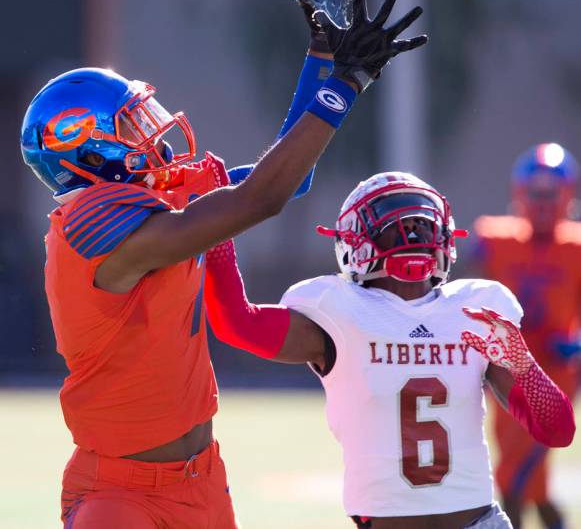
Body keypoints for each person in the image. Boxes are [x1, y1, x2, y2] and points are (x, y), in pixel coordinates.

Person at [20, 0, 427, 529]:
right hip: (121, 495)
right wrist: (347, 83)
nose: (153, 128)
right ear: (83, 147)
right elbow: (259, 199)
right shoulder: (89, 224)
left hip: (201, 480)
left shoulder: (153, 203)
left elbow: (286, 178)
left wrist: (320, 57)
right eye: (131, 122)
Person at [203, 170, 576, 529]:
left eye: (419, 222)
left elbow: (558, 431)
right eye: (396, 222)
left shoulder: (474, 310)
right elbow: (236, 323)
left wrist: (524, 365)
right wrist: (219, 215)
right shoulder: (339, 311)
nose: (410, 230)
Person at [471, 143, 581, 529]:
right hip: (505, 374)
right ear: (520, 193)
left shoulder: (576, 247)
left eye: (551, 192)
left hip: (554, 375)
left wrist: (576, 341)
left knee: (517, 476)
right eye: (536, 192)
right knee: (520, 477)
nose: (543, 202)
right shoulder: (495, 241)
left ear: (568, 194)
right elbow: (473, 295)